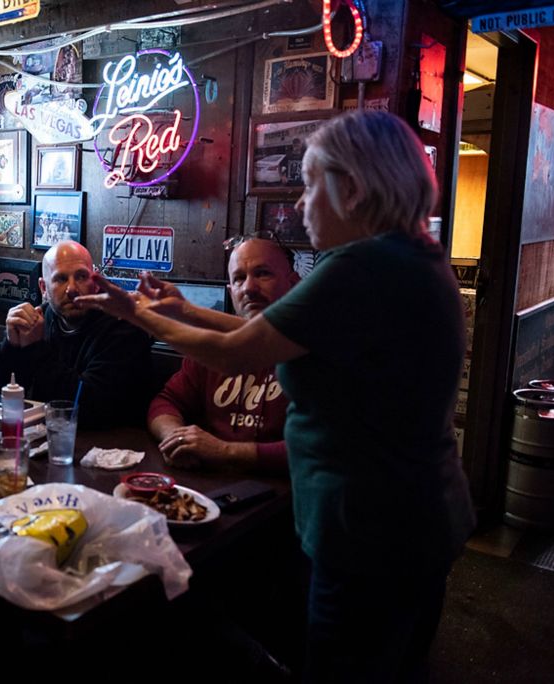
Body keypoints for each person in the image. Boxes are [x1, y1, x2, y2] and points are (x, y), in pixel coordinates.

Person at [77, 111, 476, 682]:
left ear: (354, 189)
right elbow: (258, 333)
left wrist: (134, 313)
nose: (301, 203)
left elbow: (239, 352)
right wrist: (180, 309)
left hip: (370, 535)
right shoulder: (408, 257)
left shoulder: (361, 267)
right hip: (409, 522)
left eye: (312, 185)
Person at [148, 237, 298, 474]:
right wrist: (176, 438)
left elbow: (317, 446)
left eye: (263, 273)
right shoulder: (214, 345)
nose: (249, 288)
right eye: (239, 278)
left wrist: (223, 451)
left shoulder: (310, 351)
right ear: (231, 291)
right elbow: (166, 402)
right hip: (215, 489)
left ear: (294, 283)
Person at [0, 240, 153, 429]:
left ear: (95, 282)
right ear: (44, 288)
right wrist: (11, 347)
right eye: (61, 279)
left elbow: (89, 407)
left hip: (114, 446)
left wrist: (35, 349)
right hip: (46, 442)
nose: (72, 289)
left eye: (81, 276)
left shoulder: (122, 328)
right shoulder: (39, 320)